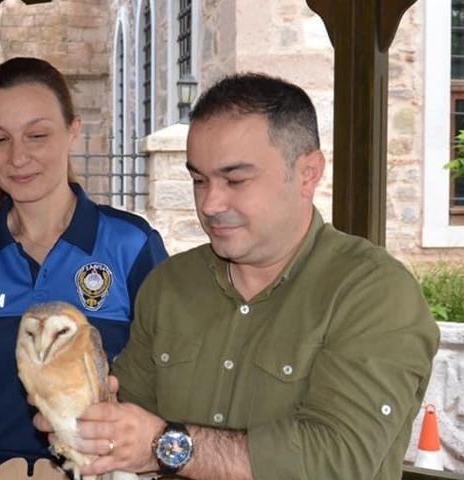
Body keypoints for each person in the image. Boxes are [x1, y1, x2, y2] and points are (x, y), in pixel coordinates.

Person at [34, 73, 440, 479]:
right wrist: (89, 426)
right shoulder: (170, 285)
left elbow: (339, 460)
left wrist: (164, 445)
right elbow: (131, 421)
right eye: (199, 180)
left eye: (236, 179)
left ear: (308, 173)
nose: (210, 203)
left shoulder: (373, 293)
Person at [0, 57, 168, 480]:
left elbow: (166, 373)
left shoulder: (131, 245)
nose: (18, 156)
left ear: (73, 130)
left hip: (98, 469)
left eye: (38, 135)